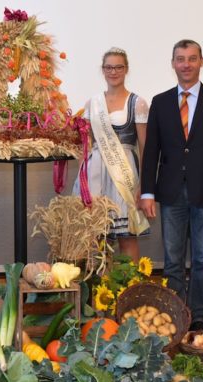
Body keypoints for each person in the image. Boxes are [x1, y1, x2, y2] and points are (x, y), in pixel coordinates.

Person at [140, 40, 203, 332]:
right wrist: (147, 192)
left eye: (192, 59)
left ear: (201, 62)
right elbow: (152, 150)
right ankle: (175, 314)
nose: (186, 64)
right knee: (171, 261)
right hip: (170, 193)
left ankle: (198, 316)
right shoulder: (161, 101)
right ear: (173, 63)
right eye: (180, 59)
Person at [73, 47, 150, 263]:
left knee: (127, 236)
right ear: (103, 70)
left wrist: (143, 183)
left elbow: (144, 145)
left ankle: (128, 290)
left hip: (124, 174)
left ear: (126, 70)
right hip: (95, 171)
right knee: (95, 235)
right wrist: (82, 180)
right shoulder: (92, 103)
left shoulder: (138, 103)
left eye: (118, 67)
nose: (113, 71)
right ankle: (98, 289)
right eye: (109, 67)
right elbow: (86, 144)